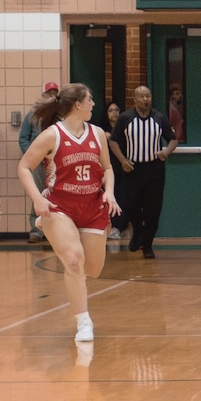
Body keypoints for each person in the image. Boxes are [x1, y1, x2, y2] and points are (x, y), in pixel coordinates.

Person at [17, 84, 120, 342]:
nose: (93, 104)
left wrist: (109, 192)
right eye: (90, 99)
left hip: (92, 206)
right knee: (74, 261)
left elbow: (107, 168)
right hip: (60, 207)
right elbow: (24, 167)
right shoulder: (52, 135)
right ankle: (83, 322)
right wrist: (37, 198)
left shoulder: (97, 134)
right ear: (78, 104)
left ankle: (47, 226)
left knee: (92, 268)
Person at [109, 85, 177, 258]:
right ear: (134, 99)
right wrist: (122, 160)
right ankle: (138, 231)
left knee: (153, 210)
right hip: (132, 168)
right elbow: (113, 140)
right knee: (129, 204)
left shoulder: (159, 117)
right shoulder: (125, 118)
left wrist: (166, 152)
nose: (145, 99)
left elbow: (173, 139)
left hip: (154, 169)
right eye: (142, 96)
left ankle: (147, 245)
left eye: (148, 96)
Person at [19, 81, 60, 242]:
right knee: (37, 193)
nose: (52, 96)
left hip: (56, 162)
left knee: (57, 193)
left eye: (54, 93)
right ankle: (36, 230)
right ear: (43, 95)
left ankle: (55, 229)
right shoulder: (32, 115)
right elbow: (23, 138)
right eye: (49, 93)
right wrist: (32, 156)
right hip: (38, 163)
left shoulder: (62, 115)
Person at [102, 101, 128, 240]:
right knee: (109, 196)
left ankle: (120, 226)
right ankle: (109, 226)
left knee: (122, 196)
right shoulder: (102, 131)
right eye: (111, 110)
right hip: (108, 168)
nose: (114, 113)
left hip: (122, 167)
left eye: (116, 110)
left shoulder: (125, 129)